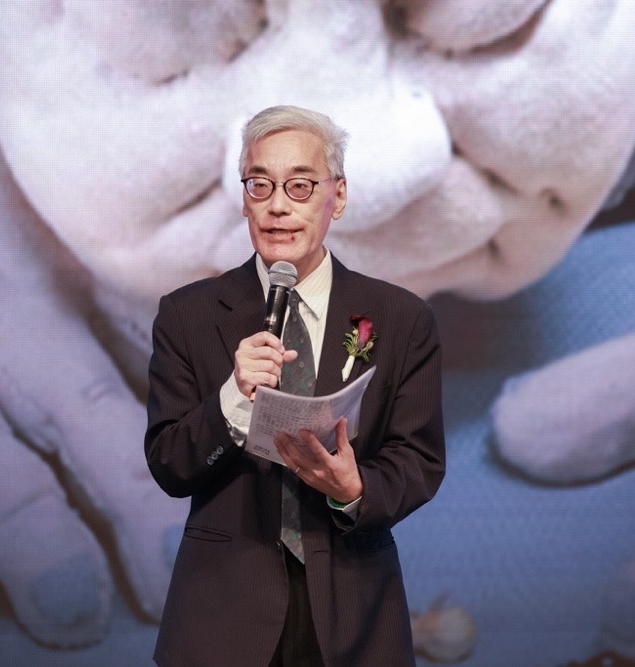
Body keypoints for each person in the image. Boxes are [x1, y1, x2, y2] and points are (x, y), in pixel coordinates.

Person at [145, 105, 446, 665]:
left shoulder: (400, 318)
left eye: (300, 186)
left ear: (339, 195)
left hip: (354, 610)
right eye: (260, 185)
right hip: (222, 613)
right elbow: (169, 465)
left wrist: (355, 488)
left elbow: (419, 459)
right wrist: (232, 400)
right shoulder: (188, 315)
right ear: (244, 200)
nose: (278, 205)